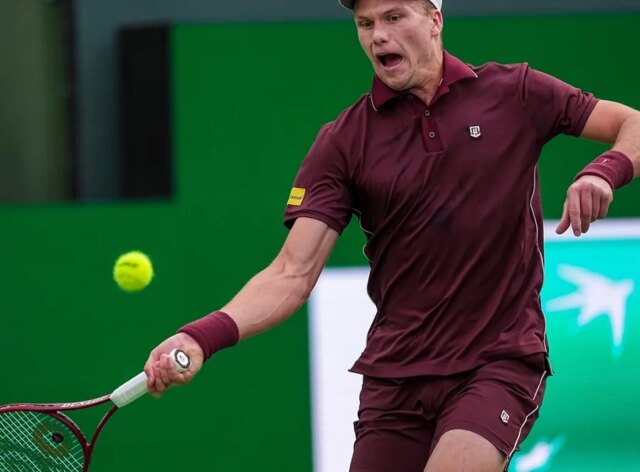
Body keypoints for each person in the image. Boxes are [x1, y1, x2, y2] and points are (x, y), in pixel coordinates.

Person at [144, 0, 640, 470]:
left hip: (497, 361)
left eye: (394, 17)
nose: (378, 35)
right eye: (366, 24)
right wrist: (200, 337)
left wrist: (604, 172)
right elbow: (291, 272)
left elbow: (631, 124)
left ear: (434, 20)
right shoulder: (343, 141)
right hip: (395, 377)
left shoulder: (516, 92)